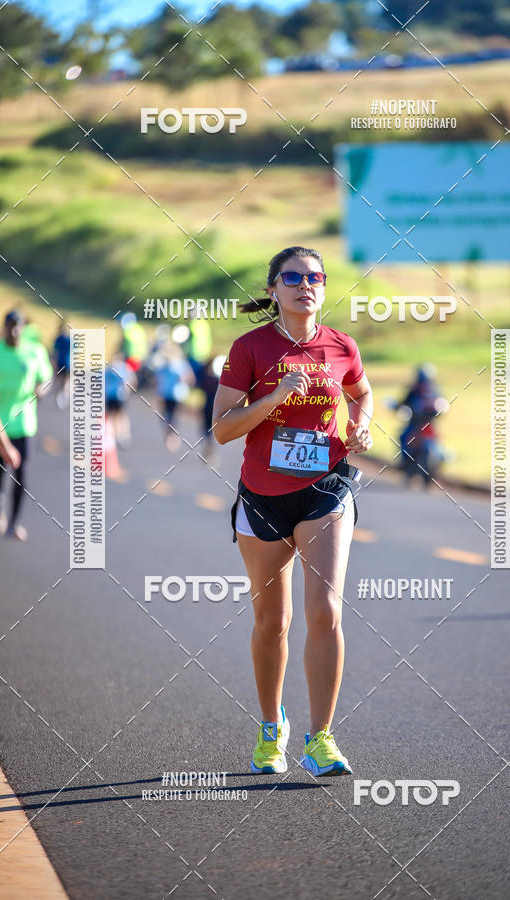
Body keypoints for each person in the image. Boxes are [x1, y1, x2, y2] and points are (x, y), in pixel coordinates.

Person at [213, 246, 373, 776]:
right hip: (263, 495)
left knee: (325, 611)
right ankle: (270, 726)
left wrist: (361, 425)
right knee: (271, 622)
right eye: (293, 277)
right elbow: (223, 428)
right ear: (273, 289)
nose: (306, 285)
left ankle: (321, 738)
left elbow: (362, 393)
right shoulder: (250, 348)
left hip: (326, 487)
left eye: (315, 278)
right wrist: (274, 398)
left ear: (324, 288)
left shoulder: (341, 345)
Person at [0, 310, 52, 540]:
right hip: (1, 424)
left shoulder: (34, 351)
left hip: (24, 424)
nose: (13, 330)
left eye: (17, 325)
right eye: (9, 325)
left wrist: (42, 389)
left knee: (21, 476)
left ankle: (13, 524)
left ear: (23, 328)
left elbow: (46, 377)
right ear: (4, 327)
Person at [154, 343, 194, 451]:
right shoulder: (163, 363)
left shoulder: (181, 364)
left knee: (172, 416)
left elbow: (190, 377)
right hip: (164, 393)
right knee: (165, 415)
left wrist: (183, 379)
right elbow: (157, 377)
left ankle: (171, 436)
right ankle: (169, 434)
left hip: (177, 395)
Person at [52, 324, 71, 409]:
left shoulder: (59, 339)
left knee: (60, 381)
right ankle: (63, 396)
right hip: (66, 363)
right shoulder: (69, 340)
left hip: (61, 363)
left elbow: (55, 352)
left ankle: (60, 396)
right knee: (65, 382)